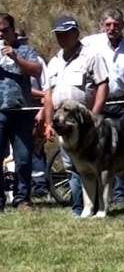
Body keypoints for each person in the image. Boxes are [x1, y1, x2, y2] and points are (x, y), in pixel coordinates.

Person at [42, 16, 110, 216]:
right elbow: (48, 95)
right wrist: (48, 123)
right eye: (58, 34)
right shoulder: (54, 61)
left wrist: (94, 115)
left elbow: (103, 85)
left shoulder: (91, 56)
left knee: (95, 165)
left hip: (86, 125)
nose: (61, 38)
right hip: (63, 125)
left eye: (65, 33)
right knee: (72, 166)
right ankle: (79, 207)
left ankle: (99, 206)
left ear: (76, 33)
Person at [81, 7, 124, 205]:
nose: (112, 28)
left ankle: (120, 196)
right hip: (96, 101)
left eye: (116, 25)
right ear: (103, 25)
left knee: (122, 148)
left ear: (122, 26)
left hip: (120, 102)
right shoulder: (90, 43)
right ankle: (95, 197)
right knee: (92, 147)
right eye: (108, 24)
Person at [0, 13, 42, 212]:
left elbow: (36, 70)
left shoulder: (25, 50)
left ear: (12, 30)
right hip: (0, 111)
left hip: (22, 110)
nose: (1, 34)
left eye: (4, 30)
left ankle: (22, 199)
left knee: (23, 158)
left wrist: (15, 57)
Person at [16, 28, 49, 198]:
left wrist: (43, 109)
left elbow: (45, 88)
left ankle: (39, 185)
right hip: (12, 108)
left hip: (34, 108)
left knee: (34, 149)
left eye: (22, 40)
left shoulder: (36, 60)